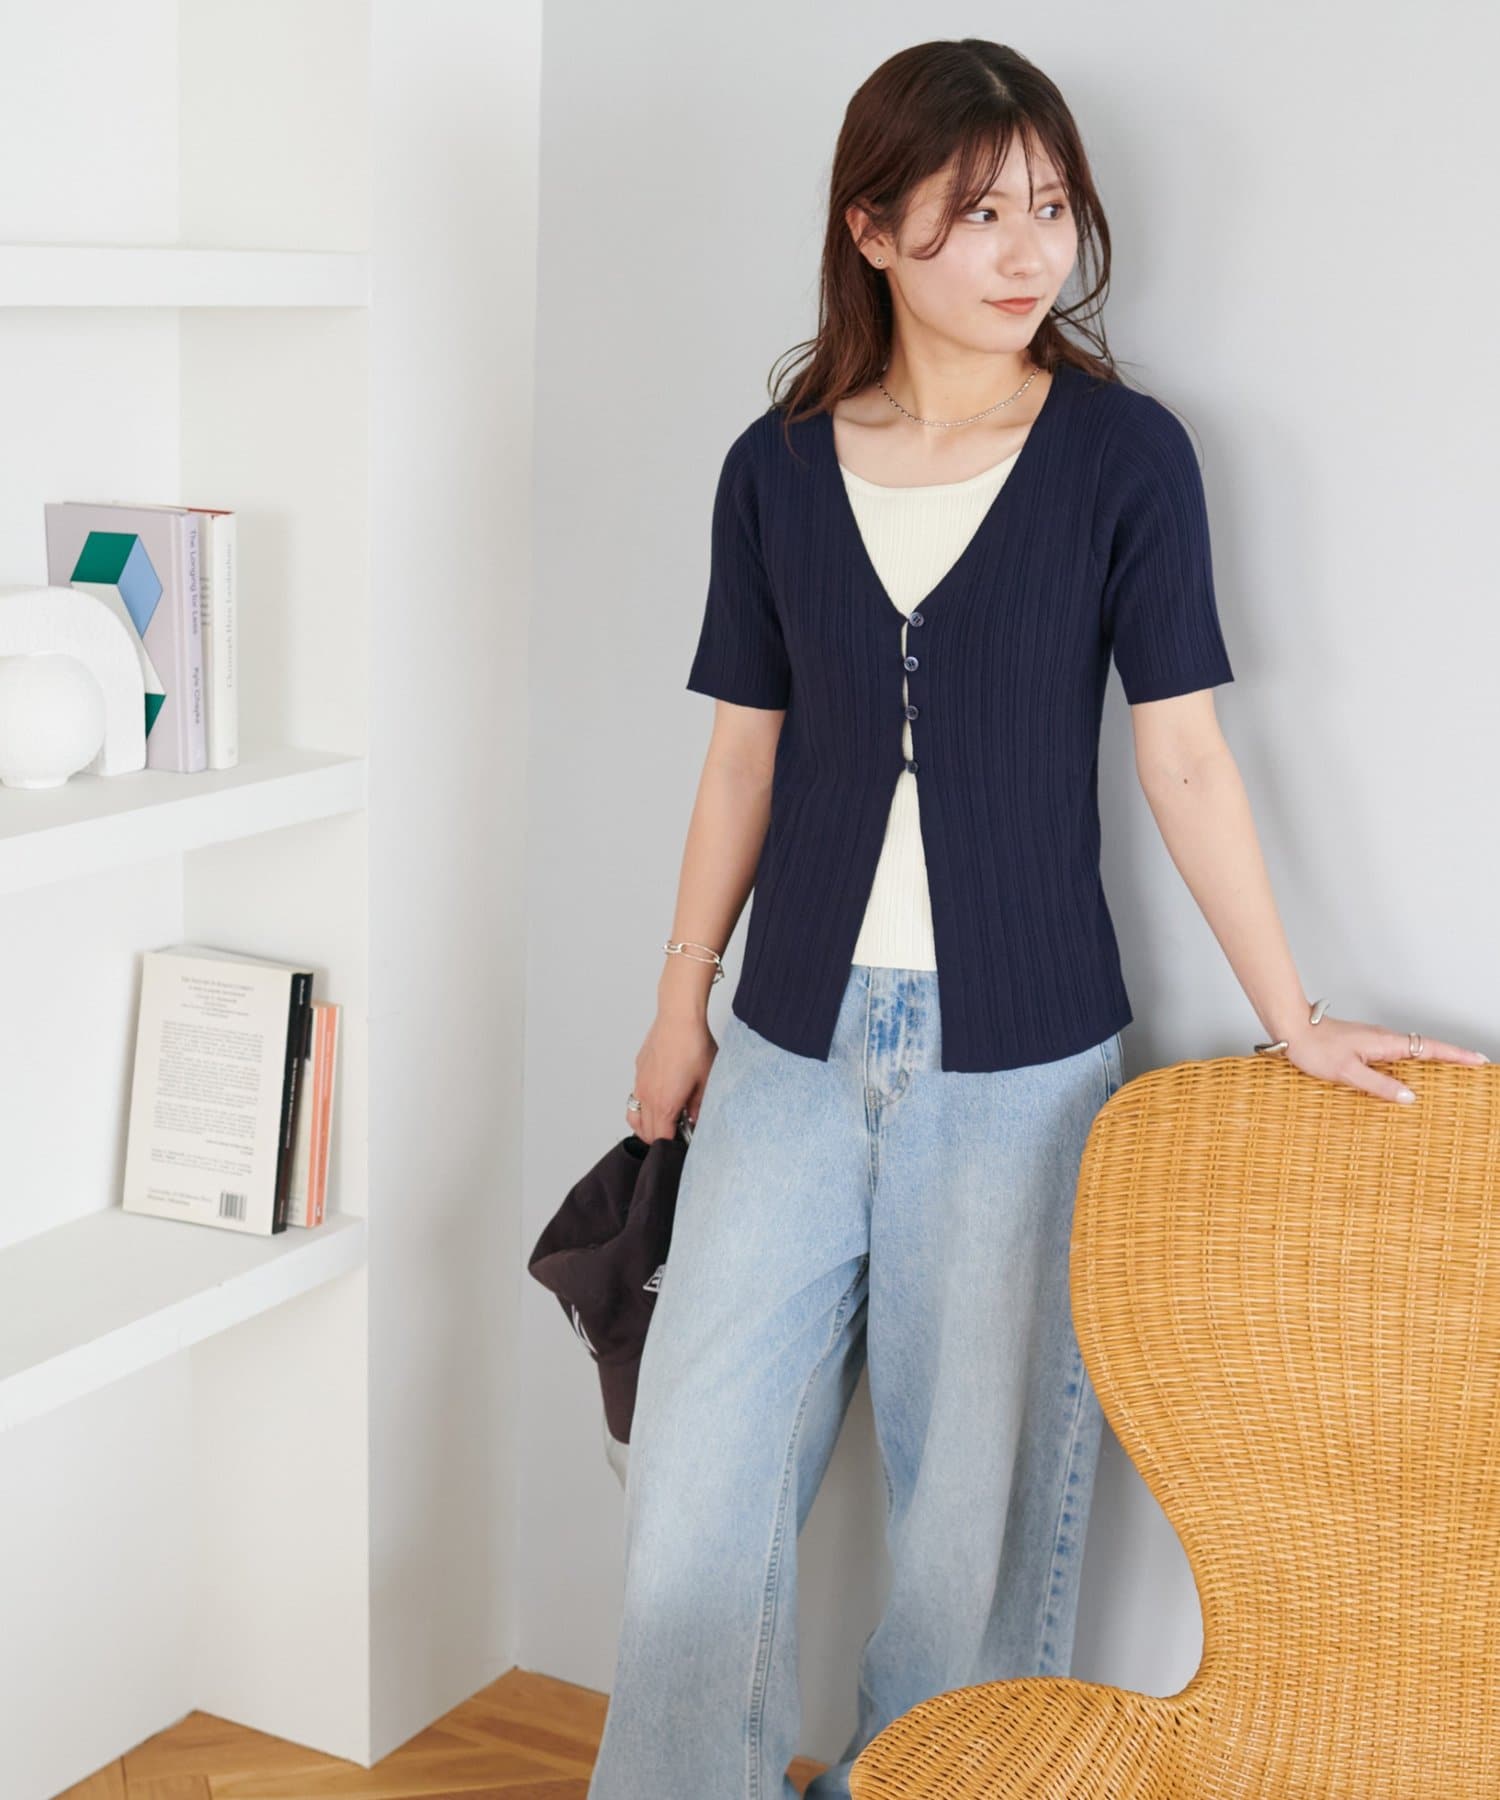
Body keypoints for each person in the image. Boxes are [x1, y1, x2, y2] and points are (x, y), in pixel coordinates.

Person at [586, 37, 1488, 1800]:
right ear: (871, 229)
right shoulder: (777, 469)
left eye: (1052, 208)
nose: (1028, 251)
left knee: (971, 1532)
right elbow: (742, 762)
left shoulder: (1124, 459)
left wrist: (1292, 1015)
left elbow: (1186, 758)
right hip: (783, 1047)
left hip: (1020, 1067)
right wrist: (681, 1001)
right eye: (979, 211)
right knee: (697, 1493)